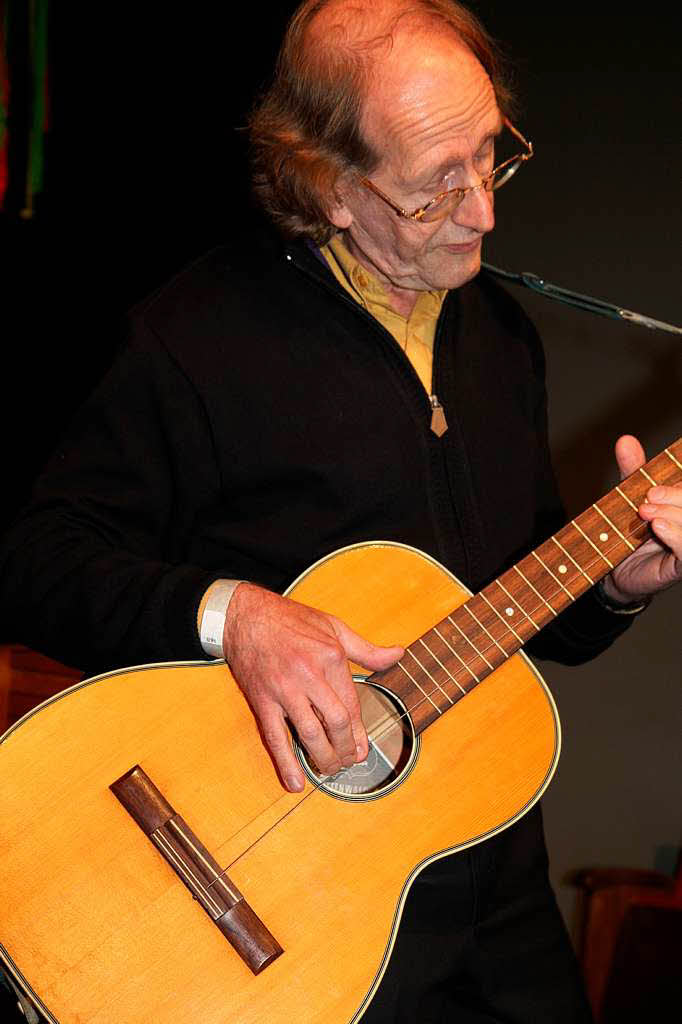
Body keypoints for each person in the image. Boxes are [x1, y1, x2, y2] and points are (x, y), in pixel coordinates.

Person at [1, 1, 680, 1020]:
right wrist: (239, 619)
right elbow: (34, 558)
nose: (481, 213)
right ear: (328, 186)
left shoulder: (499, 341)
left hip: (482, 886)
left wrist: (620, 583)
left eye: (489, 158)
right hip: (286, 898)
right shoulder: (196, 336)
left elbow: (519, 607)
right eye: (430, 189)